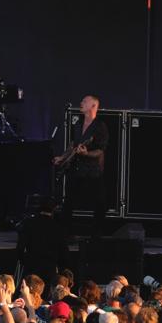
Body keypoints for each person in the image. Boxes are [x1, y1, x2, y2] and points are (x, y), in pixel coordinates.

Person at [56, 95, 109, 232]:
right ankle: (65, 233)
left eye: (85, 101)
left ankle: (96, 235)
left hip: (92, 171)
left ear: (93, 106)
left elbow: (100, 150)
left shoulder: (100, 126)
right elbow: (73, 145)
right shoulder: (78, 124)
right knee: (68, 202)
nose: (81, 103)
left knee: (99, 203)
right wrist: (62, 158)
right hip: (76, 169)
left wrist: (87, 154)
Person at [16, 196, 67, 283]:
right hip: (49, 269)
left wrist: (25, 261)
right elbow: (63, 251)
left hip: (31, 267)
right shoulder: (57, 227)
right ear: (53, 210)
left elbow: (20, 247)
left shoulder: (29, 223)